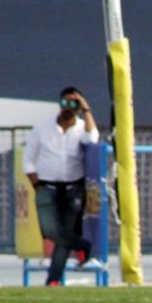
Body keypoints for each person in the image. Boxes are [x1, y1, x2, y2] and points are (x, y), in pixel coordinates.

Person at [22, 86, 101, 287]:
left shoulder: (82, 127)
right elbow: (28, 160)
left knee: (63, 234)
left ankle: (53, 280)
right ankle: (83, 245)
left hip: (73, 188)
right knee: (50, 231)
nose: (68, 108)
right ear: (59, 104)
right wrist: (37, 185)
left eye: (73, 104)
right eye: (65, 103)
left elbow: (93, 139)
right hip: (46, 186)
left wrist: (87, 110)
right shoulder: (42, 128)